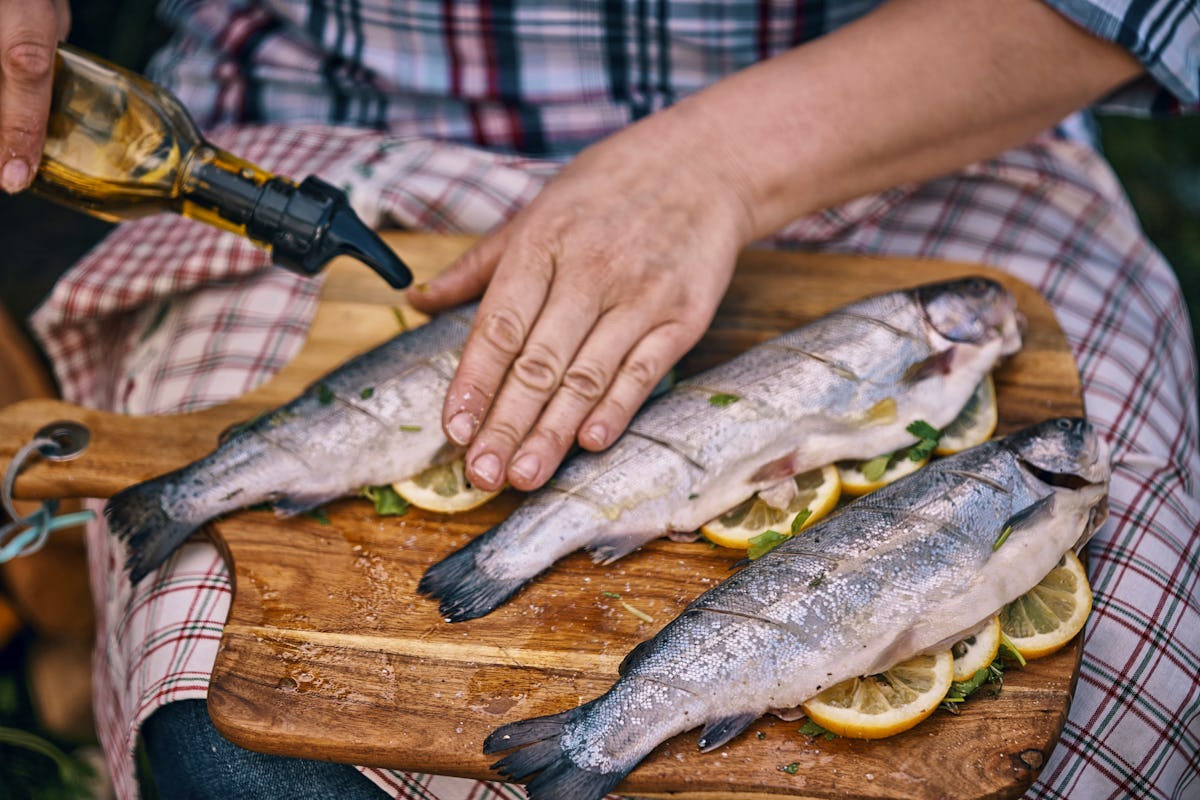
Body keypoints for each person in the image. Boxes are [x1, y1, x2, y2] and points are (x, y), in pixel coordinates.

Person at [2, 0, 1197, 797]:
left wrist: (712, 166)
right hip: (337, 140)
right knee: (236, 751)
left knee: (1138, 673)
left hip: (930, 125)